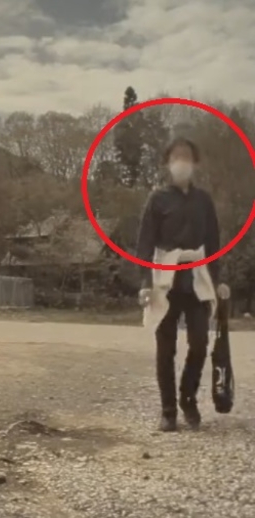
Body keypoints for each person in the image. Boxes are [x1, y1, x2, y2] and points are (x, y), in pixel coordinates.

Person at [136, 135, 230, 432]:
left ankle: (188, 398)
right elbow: (145, 243)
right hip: (165, 277)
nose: (181, 162)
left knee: (200, 343)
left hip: (197, 276)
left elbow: (213, 243)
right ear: (167, 163)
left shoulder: (204, 200)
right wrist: (145, 282)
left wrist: (218, 280)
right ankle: (168, 411)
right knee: (165, 348)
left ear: (195, 163)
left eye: (186, 157)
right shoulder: (157, 199)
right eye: (175, 157)